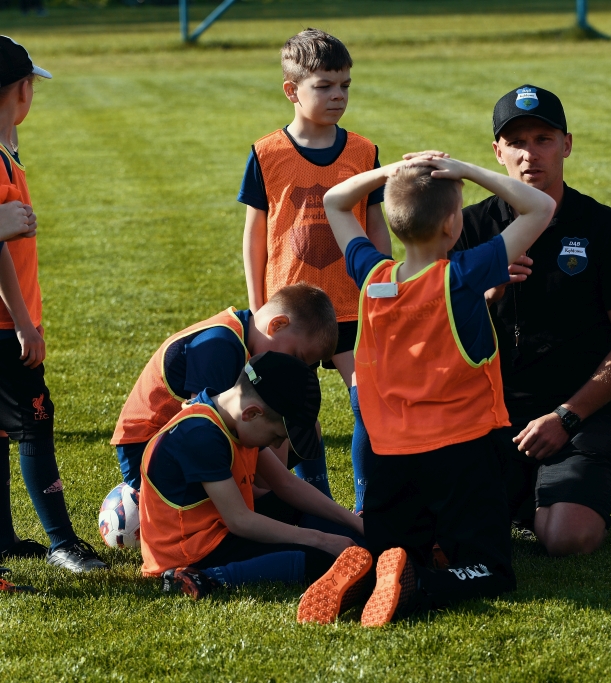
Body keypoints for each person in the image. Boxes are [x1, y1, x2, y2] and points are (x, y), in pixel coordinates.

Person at [313, 152, 555, 627]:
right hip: (461, 452)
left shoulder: (372, 276)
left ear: (393, 219)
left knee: (398, 548)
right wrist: (467, 170)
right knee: (491, 569)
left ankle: (371, 567)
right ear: (451, 224)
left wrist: (389, 174)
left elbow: (335, 201)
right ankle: (420, 583)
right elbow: (540, 207)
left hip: (388, 459)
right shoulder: (461, 276)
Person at [453, 86, 611, 557]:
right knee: (449, 532)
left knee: (569, 538)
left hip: (576, 416)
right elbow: (428, 335)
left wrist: (567, 416)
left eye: (543, 139)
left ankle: (542, 494)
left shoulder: (603, 227)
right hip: (487, 417)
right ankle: (522, 494)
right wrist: (483, 294)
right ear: (497, 152)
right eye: (516, 142)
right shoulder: (467, 228)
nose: (529, 154)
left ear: (567, 145)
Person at [239, 28, 391, 508]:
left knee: (368, 401)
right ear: (292, 90)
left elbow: (376, 226)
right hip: (290, 312)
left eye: (345, 85)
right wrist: (258, 307)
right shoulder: (267, 153)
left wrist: (383, 286)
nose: (338, 95)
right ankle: (317, 502)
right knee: (293, 411)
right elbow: (255, 236)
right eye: (324, 86)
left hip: (350, 305)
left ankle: (368, 506)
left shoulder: (363, 151)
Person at [0, 36, 108, 572]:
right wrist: (25, 324)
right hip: (7, 325)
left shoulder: (6, 150)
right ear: (21, 90)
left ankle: (3, 536)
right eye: (30, 87)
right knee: (35, 424)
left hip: (9, 323)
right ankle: (63, 543)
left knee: (2, 429)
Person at [141, 352, 365, 600]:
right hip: (191, 552)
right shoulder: (201, 435)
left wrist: (356, 524)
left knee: (301, 509)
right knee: (318, 559)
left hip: (218, 530)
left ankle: (367, 546)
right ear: (252, 413)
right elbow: (240, 521)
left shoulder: (232, 419)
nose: (277, 444)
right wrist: (321, 540)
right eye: (276, 436)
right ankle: (206, 578)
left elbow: (287, 485)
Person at [110, 283, 337, 492]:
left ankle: (311, 497)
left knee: (304, 428)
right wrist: (267, 490)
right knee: (269, 489)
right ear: (276, 325)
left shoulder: (245, 340)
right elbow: (202, 428)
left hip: (186, 442)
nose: (292, 368)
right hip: (148, 452)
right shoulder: (220, 346)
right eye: (295, 356)